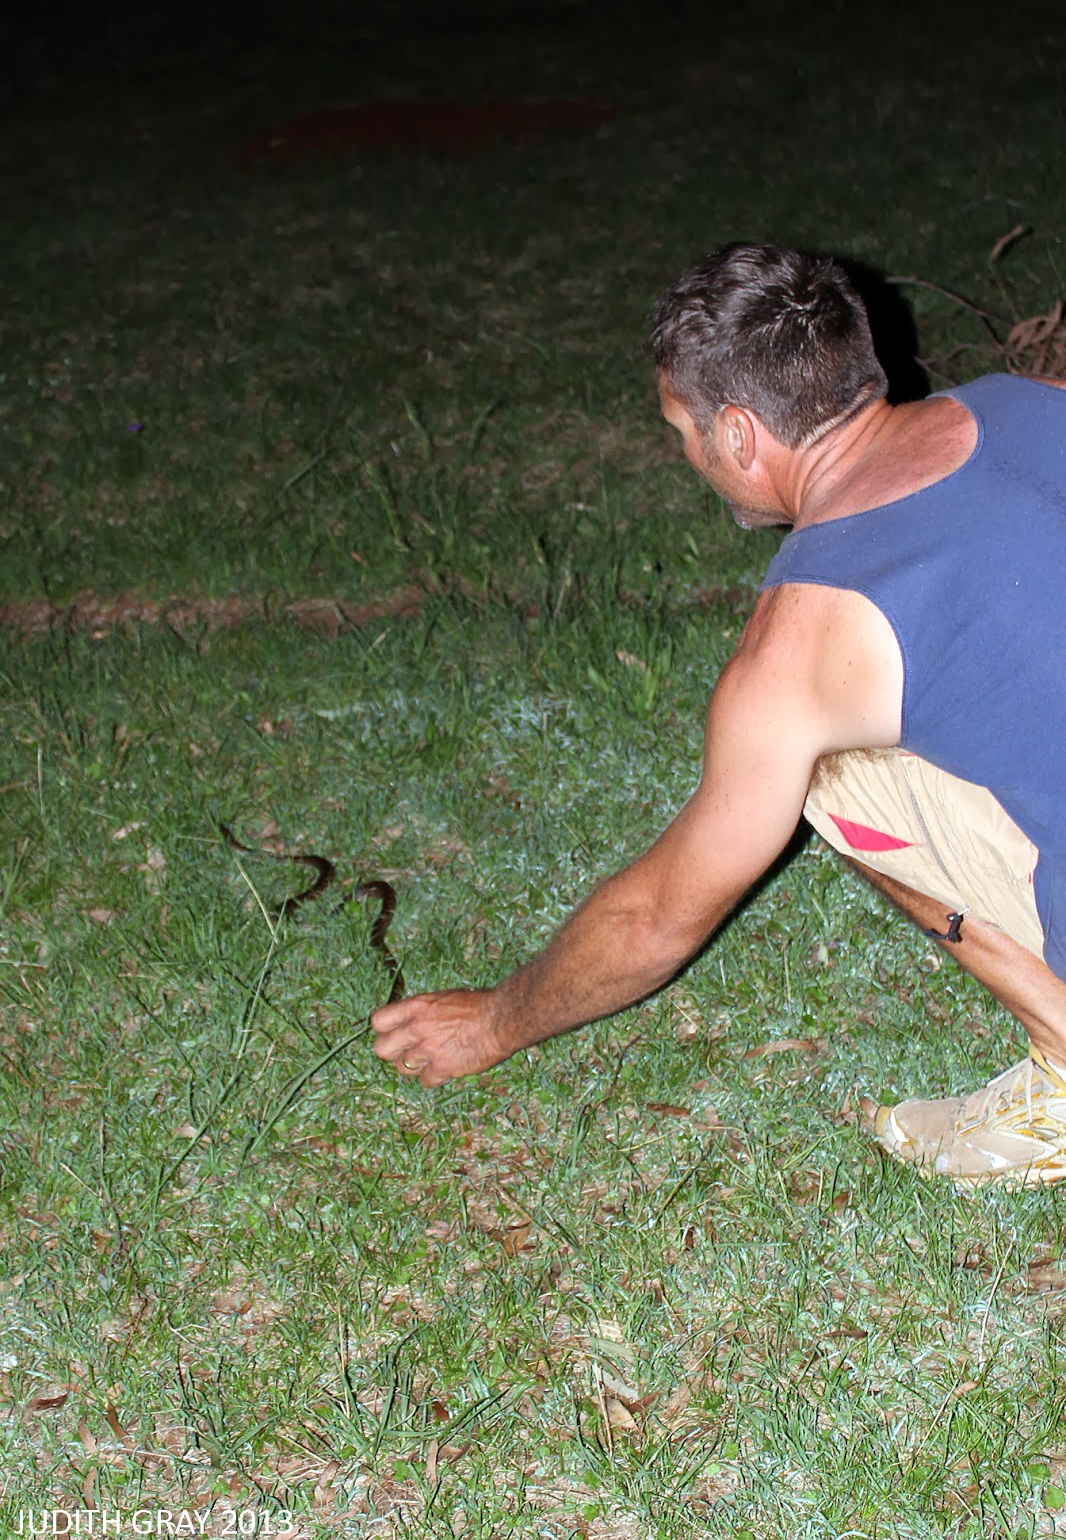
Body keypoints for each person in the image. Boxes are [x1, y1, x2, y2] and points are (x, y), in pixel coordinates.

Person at [372, 241, 1066, 1190]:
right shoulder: (1033, 402)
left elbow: (659, 917)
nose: (688, 455)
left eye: (681, 431)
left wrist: (494, 1022)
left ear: (740, 434)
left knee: (825, 768)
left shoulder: (804, 638)